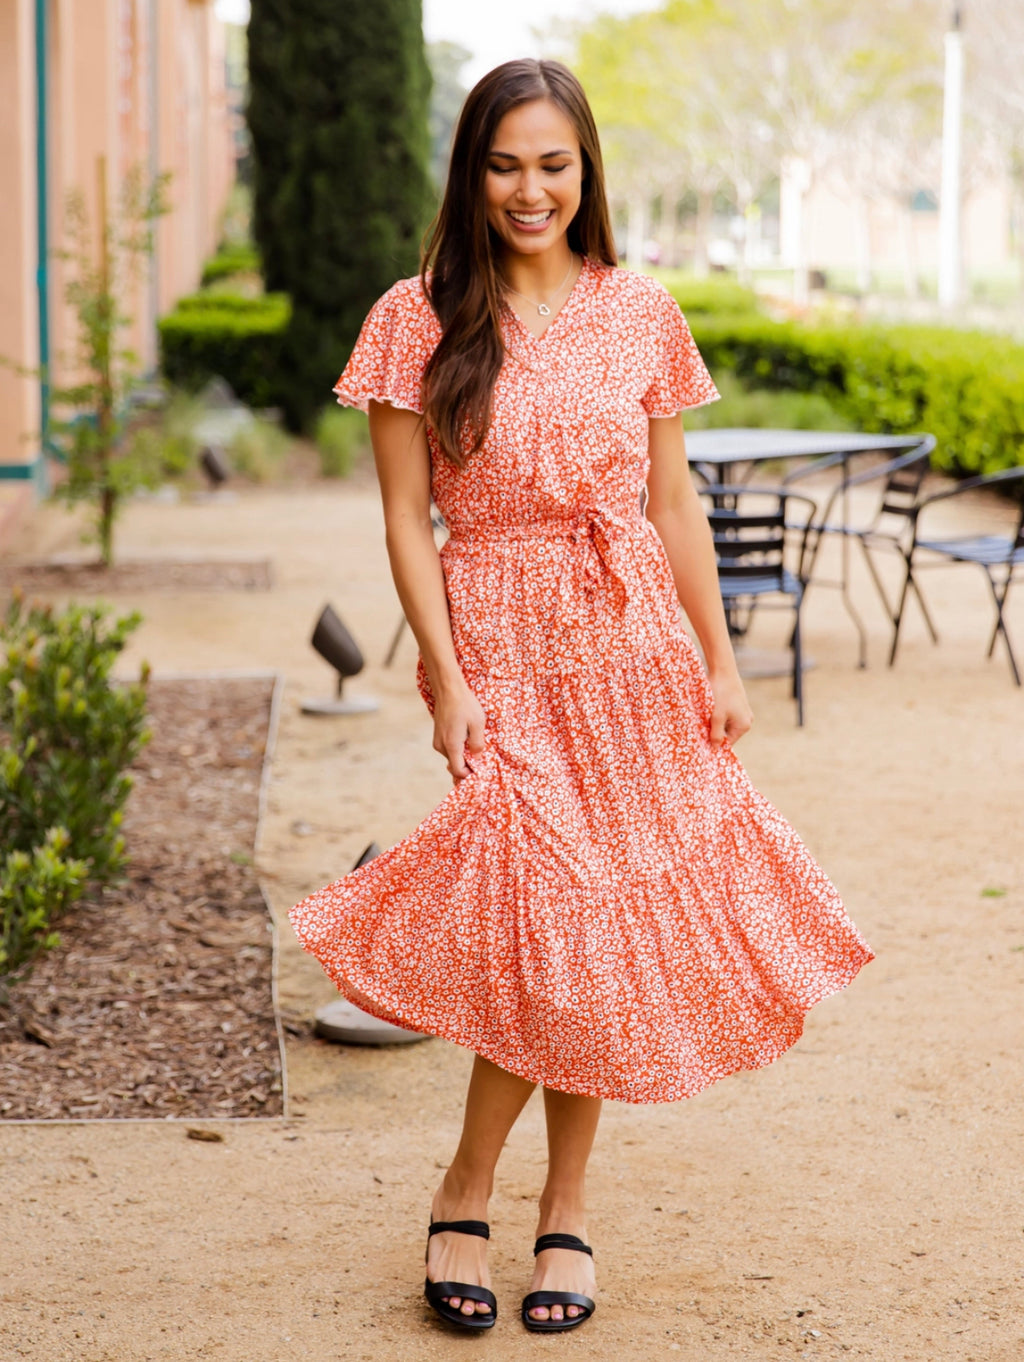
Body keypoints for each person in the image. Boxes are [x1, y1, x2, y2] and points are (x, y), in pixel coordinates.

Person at [289, 58, 873, 1335]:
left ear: (587, 170)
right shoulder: (416, 315)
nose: (529, 188)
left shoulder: (640, 311)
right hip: (498, 636)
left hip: (632, 648)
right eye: (505, 164)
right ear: (471, 171)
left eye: (553, 163)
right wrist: (443, 679)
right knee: (549, 914)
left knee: (595, 933)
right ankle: (466, 1184)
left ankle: (562, 1210)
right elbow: (402, 517)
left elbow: (671, 503)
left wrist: (719, 662)